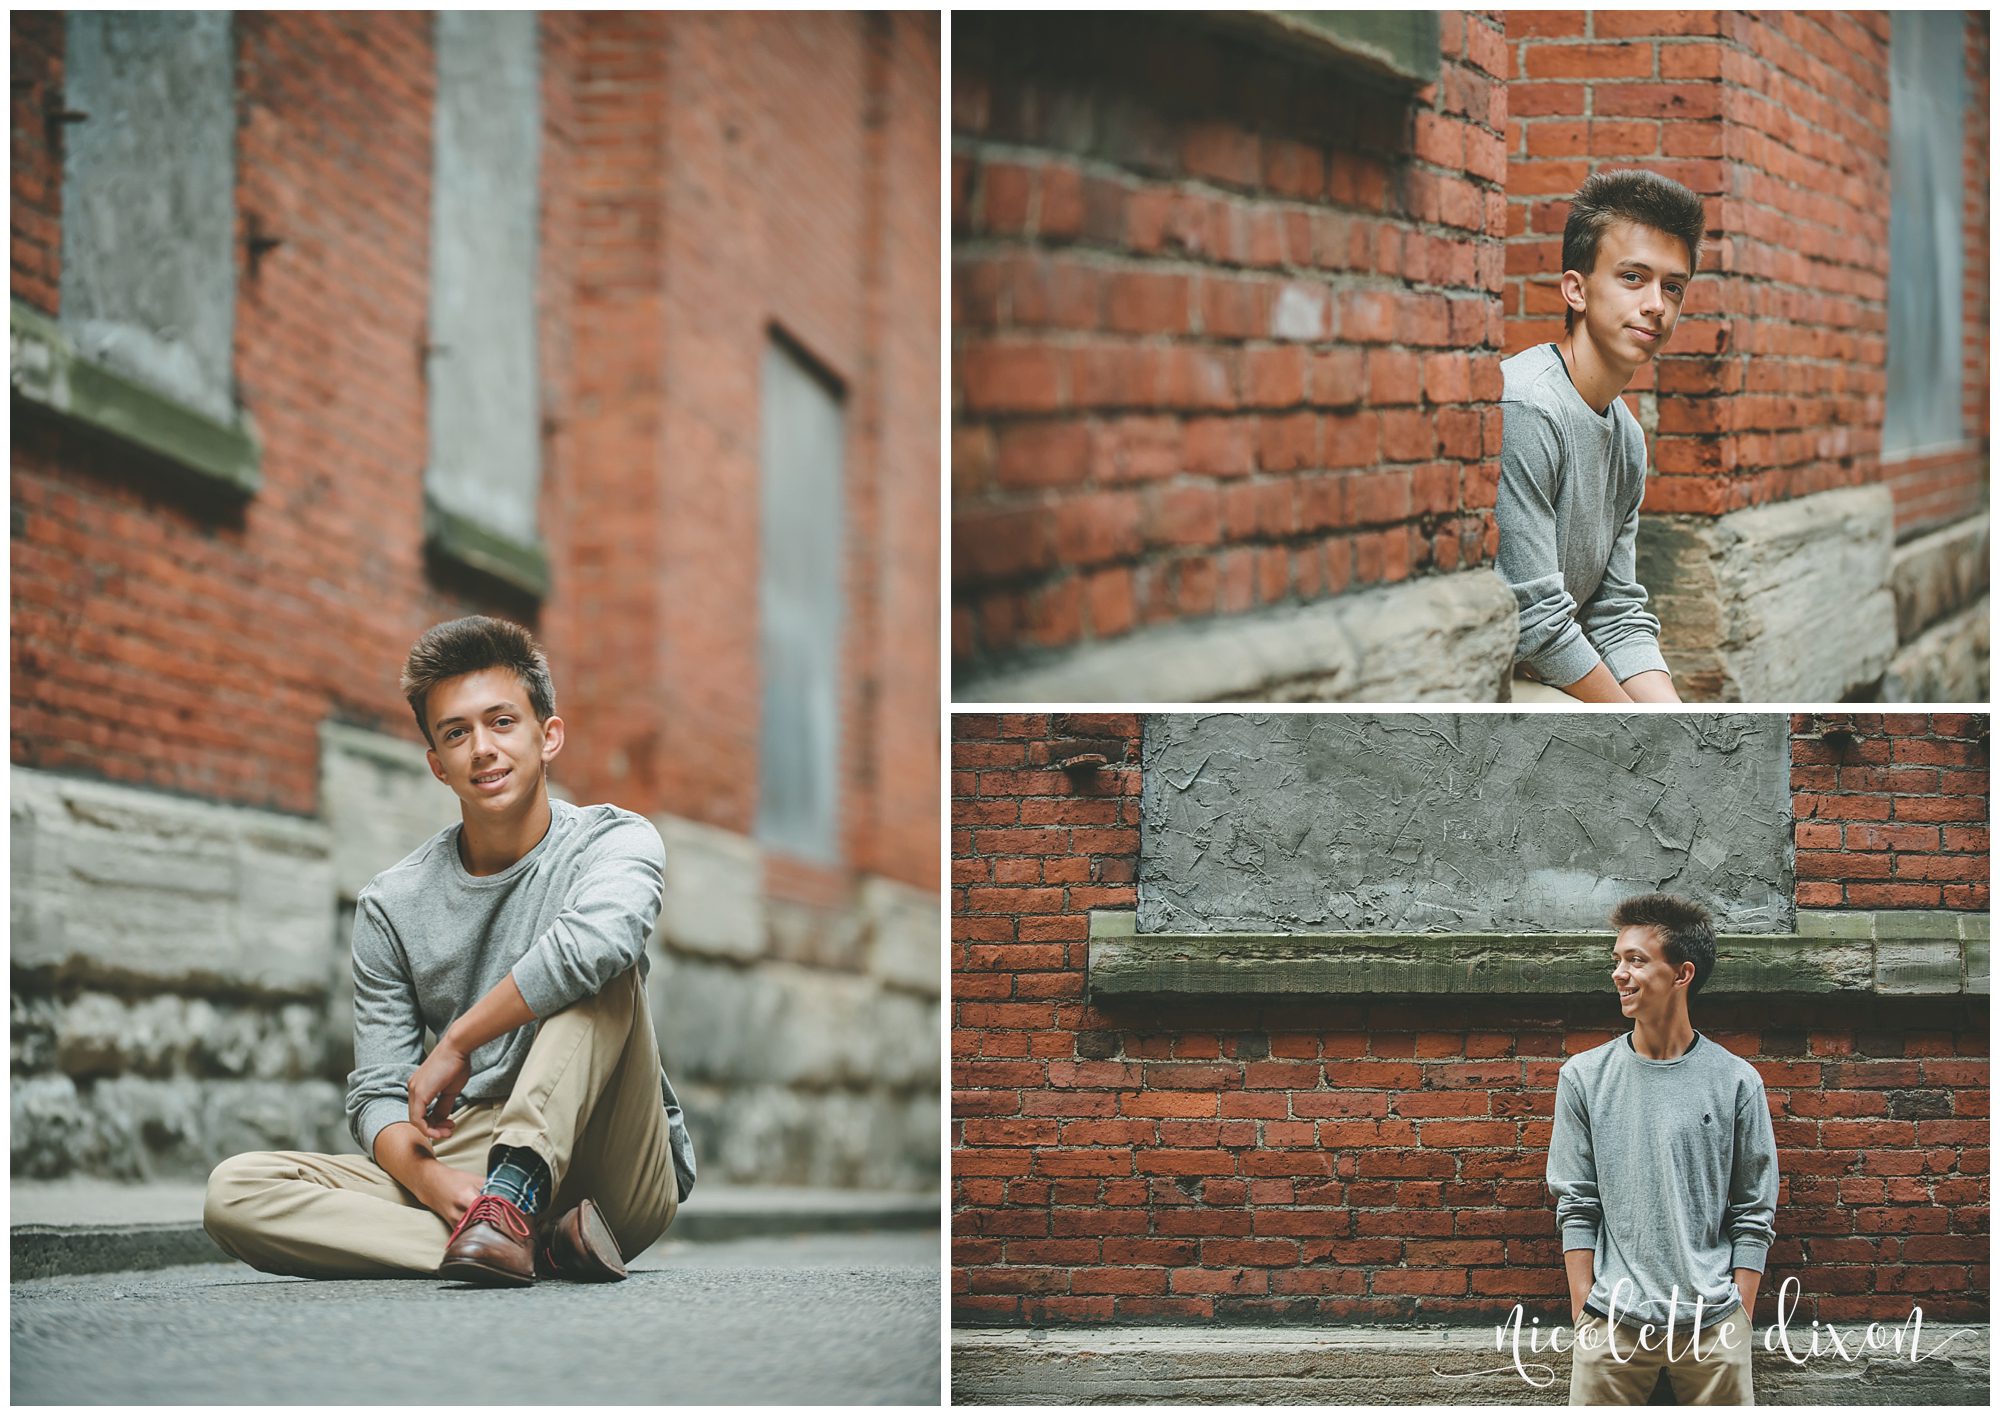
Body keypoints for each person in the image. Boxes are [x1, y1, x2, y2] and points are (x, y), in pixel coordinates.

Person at [204, 615, 696, 1285]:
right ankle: (534, 1241)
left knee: (601, 969)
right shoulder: (392, 904)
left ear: (548, 735)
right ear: (438, 764)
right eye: (456, 734)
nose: (482, 749)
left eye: (501, 722)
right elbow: (378, 1092)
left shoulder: (615, 843)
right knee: (236, 1192)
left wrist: (458, 1042)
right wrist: (433, 1183)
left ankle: (516, 1203)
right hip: (474, 1153)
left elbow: (597, 946)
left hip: (606, 1163)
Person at [1546, 893, 1778, 1404]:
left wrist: (1739, 1311)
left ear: (1681, 974)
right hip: (1612, 1323)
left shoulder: (1737, 1082)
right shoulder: (1584, 1078)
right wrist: (1585, 1308)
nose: (1619, 974)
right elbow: (1577, 1203)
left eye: (1636, 960)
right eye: (1617, 960)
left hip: (1714, 1325)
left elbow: (1754, 1209)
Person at [1498, 169, 1705, 704]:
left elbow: (1615, 611)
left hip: (1553, 678)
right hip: (1495, 689)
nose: (1657, 304)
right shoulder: (1529, 406)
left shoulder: (1628, 437)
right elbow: (1534, 623)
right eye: (1633, 278)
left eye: (1673, 287)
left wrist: (1674, 721)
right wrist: (1644, 732)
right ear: (1577, 289)